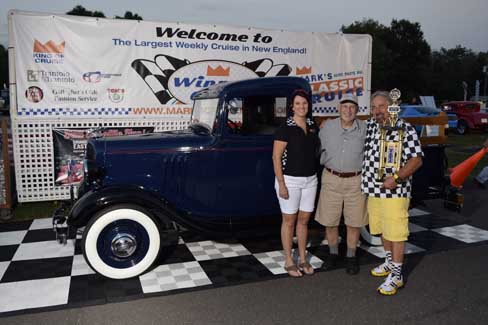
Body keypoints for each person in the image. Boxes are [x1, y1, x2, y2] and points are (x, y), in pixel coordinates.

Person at [362, 91, 424, 295]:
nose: (377, 111)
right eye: (374, 107)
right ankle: (389, 263)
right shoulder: (371, 126)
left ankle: (397, 275)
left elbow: (416, 160)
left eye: (381, 106)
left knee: (396, 233)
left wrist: (396, 178)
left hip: (395, 192)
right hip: (373, 189)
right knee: (381, 230)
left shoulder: (404, 128)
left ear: (391, 107)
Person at [315, 92, 367, 275]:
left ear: (357, 110)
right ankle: (333, 253)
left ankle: (351, 256)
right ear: (339, 108)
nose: (348, 110)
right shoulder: (327, 126)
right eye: (344, 106)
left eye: (352, 107)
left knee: (354, 222)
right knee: (330, 221)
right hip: (331, 178)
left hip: (356, 180)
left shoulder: (365, 128)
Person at [272, 89, 320, 277]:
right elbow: (276, 157)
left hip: (311, 180)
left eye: (305, 103)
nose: (302, 106)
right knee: (289, 221)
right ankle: (288, 260)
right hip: (289, 181)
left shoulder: (312, 125)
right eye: (298, 103)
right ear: (292, 106)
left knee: (303, 221)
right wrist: (281, 184)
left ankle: (302, 258)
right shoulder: (285, 127)